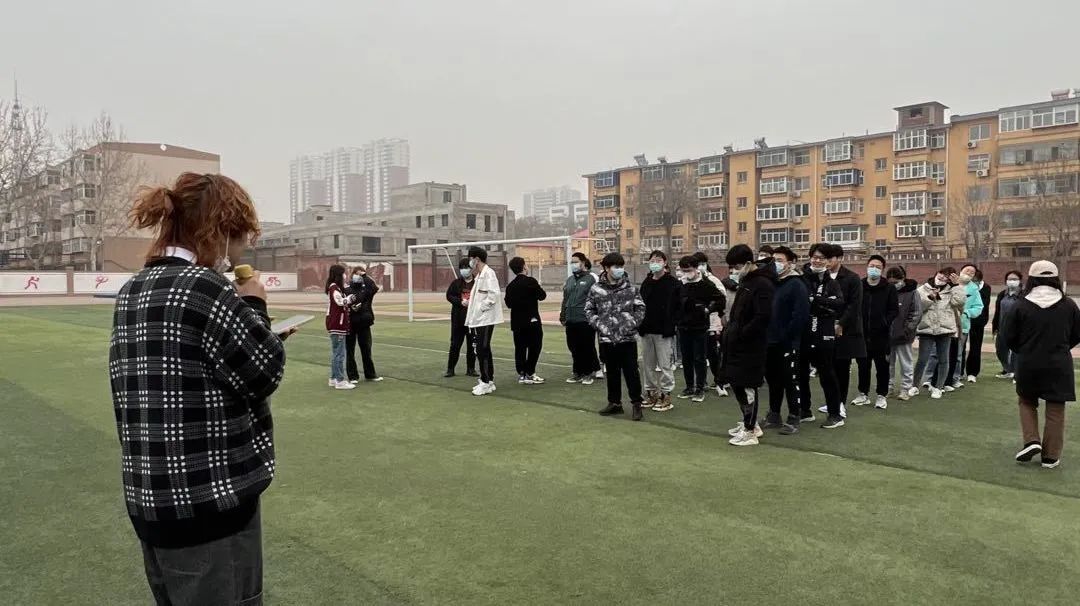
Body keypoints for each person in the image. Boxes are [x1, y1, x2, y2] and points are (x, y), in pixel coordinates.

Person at [112, 172, 288, 604]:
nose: (243, 247)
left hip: (152, 500)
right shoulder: (206, 288)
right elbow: (265, 371)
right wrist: (254, 303)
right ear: (222, 230)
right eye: (241, 236)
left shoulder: (133, 289)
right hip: (210, 504)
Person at [1005, 260, 1080, 468]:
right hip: (1059, 362)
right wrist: (1061, 347)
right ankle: (1050, 456)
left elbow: (1008, 335)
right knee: (1056, 407)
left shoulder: (1021, 304)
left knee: (1026, 400)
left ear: (1031, 279)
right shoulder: (1068, 305)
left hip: (1028, 361)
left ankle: (1031, 440)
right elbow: (1077, 334)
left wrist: (1024, 350)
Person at [721, 244, 775, 446]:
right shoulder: (746, 281)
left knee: (747, 386)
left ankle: (750, 430)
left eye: (736, 266)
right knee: (737, 383)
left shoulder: (763, 284)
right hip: (737, 342)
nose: (734, 271)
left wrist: (743, 333)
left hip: (751, 345)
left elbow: (762, 317)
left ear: (748, 263)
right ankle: (749, 423)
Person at [585, 253, 647, 420]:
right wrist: (600, 326)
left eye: (621, 266)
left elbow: (640, 309)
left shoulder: (631, 289)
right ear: (606, 268)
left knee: (631, 372)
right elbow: (589, 310)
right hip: (606, 339)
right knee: (612, 372)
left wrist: (630, 324)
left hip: (627, 339)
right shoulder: (596, 289)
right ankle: (614, 403)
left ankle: (636, 403)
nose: (619, 269)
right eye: (616, 266)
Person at [762, 246, 809, 434]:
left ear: (790, 263)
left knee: (790, 380)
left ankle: (794, 416)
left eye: (780, 260)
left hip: (788, 342)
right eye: (774, 260)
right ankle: (774, 414)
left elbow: (800, 315)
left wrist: (788, 336)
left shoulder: (796, 284)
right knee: (773, 380)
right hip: (770, 340)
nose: (776, 264)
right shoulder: (771, 283)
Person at [800, 243, 846, 429]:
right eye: (815, 257)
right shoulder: (801, 279)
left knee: (827, 373)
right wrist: (820, 304)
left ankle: (835, 414)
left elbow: (839, 304)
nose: (817, 261)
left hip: (824, 332)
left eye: (822, 258)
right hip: (804, 331)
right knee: (800, 373)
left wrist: (818, 301)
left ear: (828, 261)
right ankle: (804, 411)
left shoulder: (832, 283)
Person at [676, 255, 725, 403]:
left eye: (689, 270)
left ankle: (700, 387)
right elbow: (674, 303)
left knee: (699, 358)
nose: (686, 273)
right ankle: (689, 386)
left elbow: (720, 299)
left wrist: (708, 309)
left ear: (696, 268)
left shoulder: (705, 284)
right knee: (686, 358)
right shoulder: (681, 284)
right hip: (683, 326)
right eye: (683, 270)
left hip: (700, 327)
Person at [912, 267, 967, 399]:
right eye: (941, 274)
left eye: (947, 276)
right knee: (922, 359)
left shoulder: (951, 290)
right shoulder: (923, 289)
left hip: (945, 329)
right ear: (936, 273)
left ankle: (938, 387)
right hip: (927, 328)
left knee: (944, 359)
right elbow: (918, 307)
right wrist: (931, 297)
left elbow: (960, 302)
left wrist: (957, 286)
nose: (943, 277)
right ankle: (914, 386)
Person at [852, 255, 898, 410]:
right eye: (872, 266)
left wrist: (884, 322)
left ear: (882, 269)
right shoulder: (859, 285)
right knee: (863, 366)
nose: (874, 269)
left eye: (878, 267)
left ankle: (881, 395)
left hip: (881, 336)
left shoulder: (889, 288)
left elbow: (894, 310)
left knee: (882, 367)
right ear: (867, 267)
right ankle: (863, 394)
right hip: (862, 334)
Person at [638, 250, 680, 412]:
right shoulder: (647, 282)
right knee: (647, 364)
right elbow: (640, 304)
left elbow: (679, 306)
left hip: (664, 331)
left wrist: (673, 323)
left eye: (658, 260)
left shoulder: (673, 283)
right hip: (646, 329)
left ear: (665, 262)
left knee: (664, 364)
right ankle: (651, 393)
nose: (655, 263)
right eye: (652, 260)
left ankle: (665, 395)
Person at [827, 244, 865, 413]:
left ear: (840, 259)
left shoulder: (852, 278)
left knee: (842, 367)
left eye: (830, 258)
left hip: (845, 329)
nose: (826, 261)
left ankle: (840, 403)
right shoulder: (821, 277)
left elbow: (854, 305)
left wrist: (840, 323)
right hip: (824, 328)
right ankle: (831, 401)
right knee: (827, 368)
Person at [465, 246, 503, 396]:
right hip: (479, 319)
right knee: (483, 349)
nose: (469, 262)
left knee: (482, 349)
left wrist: (481, 308)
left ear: (476, 259)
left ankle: (486, 382)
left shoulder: (488, 273)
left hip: (485, 319)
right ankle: (488, 380)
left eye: (470, 259)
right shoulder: (479, 275)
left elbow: (494, 295)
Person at [504, 256, 547, 385]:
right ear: (524, 267)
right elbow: (542, 296)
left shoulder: (510, 286)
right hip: (532, 320)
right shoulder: (531, 281)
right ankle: (530, 372)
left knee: (520, 348)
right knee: (535, 346)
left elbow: (508, 304)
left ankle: (522, 373)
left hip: (517, 322)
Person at [561, 252, 601, 385]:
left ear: (583, 263)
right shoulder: (570, 280)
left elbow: (598, 298)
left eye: (576, 261)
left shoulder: (591, 278)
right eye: (572, 262)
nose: (573, 264)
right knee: (573, 347)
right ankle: (577, 372)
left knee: (587, 347)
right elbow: (565, 298)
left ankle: (588, 373)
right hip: (571, 319)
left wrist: (595, 316)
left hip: (585, 319)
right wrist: (563, 315)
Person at [693, 251, 727, 395]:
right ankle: (701, 383)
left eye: (702, 263)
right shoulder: (689, 281)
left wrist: (710, 308)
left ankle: (719, 381)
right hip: (695, 323)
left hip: (711, 322)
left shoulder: (712, 280)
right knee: (698, 355)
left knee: (713, 353)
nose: (700, 267)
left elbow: (722, 298)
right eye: (697, 264)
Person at [886, 266, 921, 401]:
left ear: (903, 279)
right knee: (887, 363)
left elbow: (916, 314)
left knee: (906, 363)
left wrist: (907, 330)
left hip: (904, 335)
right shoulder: (886, 291)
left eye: (896, 282)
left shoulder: (912, 292)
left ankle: (905, 389)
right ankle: (888, 388)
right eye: (890, 282)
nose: (893, 285)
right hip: (887, 334)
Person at [947, 264, 984, 390]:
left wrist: (967, 313)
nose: (969, 273)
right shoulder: (949, 283)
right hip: (945, 323)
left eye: (972, 272)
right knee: (939, 353)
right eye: (967, 270)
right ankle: (933, 378)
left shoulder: (974, 290)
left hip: (962, 325)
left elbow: (978, 307)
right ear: (961, 270)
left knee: (958, 354)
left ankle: (955, 378)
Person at [345, 265, 382, 383]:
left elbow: (374, 288)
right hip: (350, 323)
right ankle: (352, 376)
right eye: (356, 274)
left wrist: (365, 275)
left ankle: (370, 374)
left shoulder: (365, 290)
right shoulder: (346, 290)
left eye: (360, 274)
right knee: (350, 351)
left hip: (364, 323)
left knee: (366, 349)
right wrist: (351, 307)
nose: (358, 276)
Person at [444, 258, 477, 378]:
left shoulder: (477, 283)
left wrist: (472, 302)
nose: (464, 270)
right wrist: (460, 301)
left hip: (472, 320)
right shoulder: (456, 283)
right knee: (455, 345)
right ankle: (450, 369)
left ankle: (471, 369)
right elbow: (449, 295)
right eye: (462, 268)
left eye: (466, 267)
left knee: (472, 346)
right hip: (458, 320)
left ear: (471, 268)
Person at [326, 264, 357, 390]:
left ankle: (333, 378)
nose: (345, 275)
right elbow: (339, 302)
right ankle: (340, 380)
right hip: (337, 324)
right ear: (339, 275)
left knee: (336, 353)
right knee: (339, 354)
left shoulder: (337, 288)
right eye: (343, 273)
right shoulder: (334, 288)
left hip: (337, 323)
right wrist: (349, 299)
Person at [992, 270, 1023, 379]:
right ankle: (1007, 369)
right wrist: (995, 326)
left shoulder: (1023, 295)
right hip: (1002, 327)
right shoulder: (1002, 294)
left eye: (1015, 279)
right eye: (1009, 279)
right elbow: (997, 311)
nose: (1012, 281)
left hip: (1017, 329)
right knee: (1000, 350)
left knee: (1016, 352)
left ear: (1020, 281)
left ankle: (1016, 372)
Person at [965, 269, 992, 383]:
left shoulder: (985, 288)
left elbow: (983, 306)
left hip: (978, 321)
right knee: (959, 347)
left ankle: (972, 372)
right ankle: (958, 372)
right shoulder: (962, 286)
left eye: (974, 279)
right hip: (963, 320)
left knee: (975, 347)